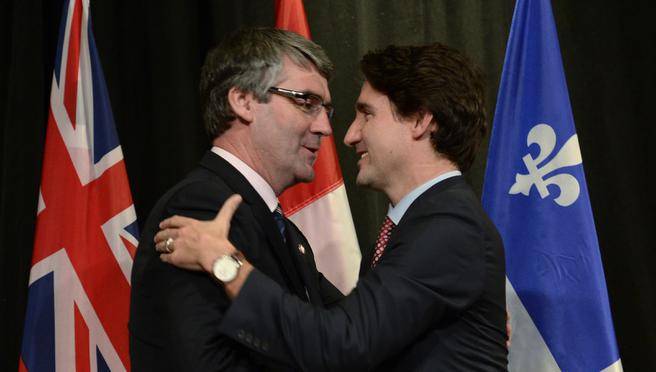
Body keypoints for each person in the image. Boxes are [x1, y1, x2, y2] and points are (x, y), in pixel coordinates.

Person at [156, 43, 508, 371]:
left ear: (419, 120)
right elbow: (336, 329)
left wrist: (222, 263)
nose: (348, 135)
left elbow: (340, 341)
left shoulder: (448, 228)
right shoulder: (421, 226)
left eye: (366, 115)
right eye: (305, 102)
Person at [129, 27, 344, 371]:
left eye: (326, 109)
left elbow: (340, 336)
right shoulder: (200, 208)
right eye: (307, 102)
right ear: (243, 101)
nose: (325, 127)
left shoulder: (281, 228)